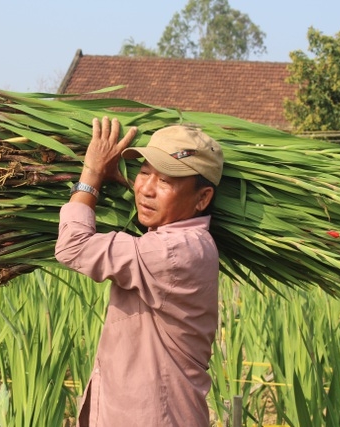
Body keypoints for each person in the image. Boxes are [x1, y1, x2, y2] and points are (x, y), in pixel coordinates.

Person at [55, 116, 224, 426]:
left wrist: (92, 173)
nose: (146, 188)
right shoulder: (170, 241)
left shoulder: (175, 251)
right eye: (145, 173)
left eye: (165, 181)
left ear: (202, 198)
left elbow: (72, 247)